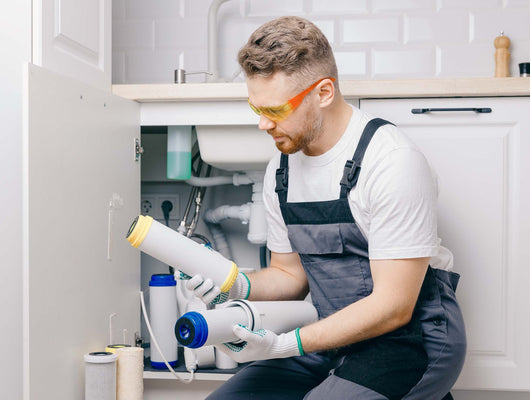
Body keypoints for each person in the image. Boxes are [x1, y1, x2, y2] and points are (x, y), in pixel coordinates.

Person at [187, 16, 466, 400]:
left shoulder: (392, 161)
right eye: (257, 109)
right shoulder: (280, 171)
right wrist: (233, 284)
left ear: (323, 92)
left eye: (276, 111)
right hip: (333, 334)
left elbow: (394, 307)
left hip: (410, 339)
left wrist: (283, 345)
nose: (263, 126)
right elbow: (290, 277)